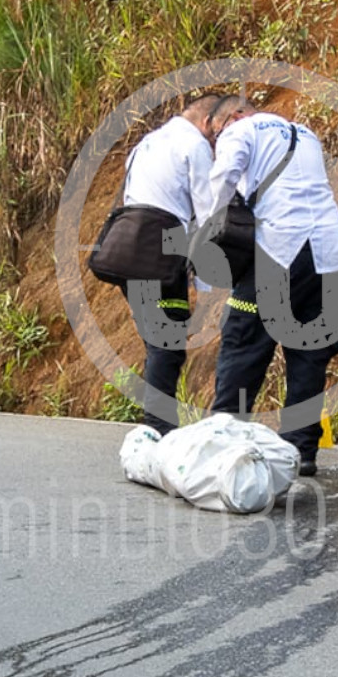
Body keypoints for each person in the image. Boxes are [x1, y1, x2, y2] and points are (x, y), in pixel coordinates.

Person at [201, 96, 338, 477]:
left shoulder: (242, 130)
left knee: (244, 340)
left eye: (217, 132)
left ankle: (225, 438)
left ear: (233, 117)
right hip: (327, 255)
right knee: (309, 352)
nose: (220, 138)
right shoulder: (305, 133)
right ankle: (301, 451)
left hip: (280, 250)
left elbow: (224, 176)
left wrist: (209, 228)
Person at [117, 94, 219, 435]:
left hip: (127, 250)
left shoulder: (146, 143)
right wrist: (207, 287)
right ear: (207, 123)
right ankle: (159, 430)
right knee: (168, 343)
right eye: (216, 134)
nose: (216, 143)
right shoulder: (194, 146)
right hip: (161, 250)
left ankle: (157, 426)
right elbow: (207, 216)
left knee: (156, 340)